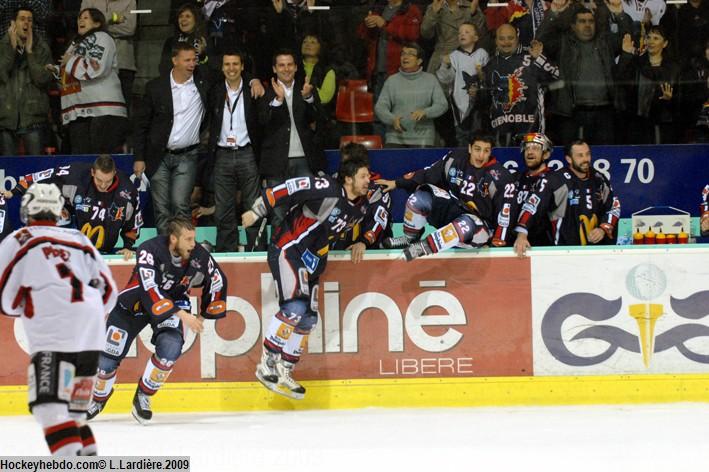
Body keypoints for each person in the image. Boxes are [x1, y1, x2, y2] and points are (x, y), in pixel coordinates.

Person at [0, 183, 118, 455]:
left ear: (26, 209)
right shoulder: (79, 237)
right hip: (90, 332)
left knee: (50, 411)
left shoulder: (20, 238)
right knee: (74, 415)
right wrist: (85, 316)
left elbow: (4, 296)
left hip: (54, 333)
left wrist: (26, 306)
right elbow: (109, 291)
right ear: (59, 211)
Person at [242, 155, 372, 399]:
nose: (368, 180)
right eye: (363, 176)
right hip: (289, 248)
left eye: (368, 175)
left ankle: (285, 369)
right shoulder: (327, 188)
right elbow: (289, 188)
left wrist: (363, 241)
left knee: (308, 319)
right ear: (347, 178)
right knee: (295, 306)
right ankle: (268, 362)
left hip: (314, 261)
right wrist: (257, 210)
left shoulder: (362, 206)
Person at [87, 217, 228, 424]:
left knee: (170, 348)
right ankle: (98, 400)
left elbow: (218, 279)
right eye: (188, 239)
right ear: (173, 239)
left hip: (175, 302)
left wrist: (203, 314)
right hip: (134, 303)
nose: (193, 244)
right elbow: (149, 288)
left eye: (194, 239)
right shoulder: (148, 249)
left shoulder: (198, 254)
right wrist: (184, 315)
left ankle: (143, 396)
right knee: (107, 359)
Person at [376, 134, 517, 260]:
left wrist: (497, 246)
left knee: (465, 224)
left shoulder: (501, 177)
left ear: (490, 152)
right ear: (469, 148)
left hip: (480, 229)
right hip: (454, 212)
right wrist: (396, 183)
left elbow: (505, 215)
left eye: (486, 151)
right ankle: (409, 238)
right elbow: (428, 174)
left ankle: (421, 248)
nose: (481, 155)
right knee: (420, 198)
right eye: (477, 149)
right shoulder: (455, 159)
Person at [133, 43, 208, 235]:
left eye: (194, 60)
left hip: (188, 155)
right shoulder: (155, 87)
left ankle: (184, 250)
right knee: (161, 208)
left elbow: (231, 73)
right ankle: (164, 253)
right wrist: (139, 157)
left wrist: (253, 81)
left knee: (181, 204)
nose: (192, 64)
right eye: (187, 60)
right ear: (174, 60)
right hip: (159, 156)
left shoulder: (203, 84)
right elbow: (141, 124)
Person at [4, 154, 142, 257]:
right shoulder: (75, 174)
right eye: (99, 180)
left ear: (115, 173)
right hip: (75, 229)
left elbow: (133, 223)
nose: (103, 185)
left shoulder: (128, 192)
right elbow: (42, 176)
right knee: (52, 209)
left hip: (106, 242)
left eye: (108, 181)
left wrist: (128, 247)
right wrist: (14, 191)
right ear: (92, 172)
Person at [257, 48, 327, 230]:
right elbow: (261, 122)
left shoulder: (305, 89)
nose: (286, 69)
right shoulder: (266, 92)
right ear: (274, 68)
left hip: (304, 160)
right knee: (279, 213)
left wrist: (309, 98)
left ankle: (303, 252)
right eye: (281, 65)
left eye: (290, 65)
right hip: (276, 163)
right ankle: (279, 254)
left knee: (308, 211)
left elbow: (319, 119)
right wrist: (278, 102)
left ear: (296, 67)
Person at [537, 2, 625, 145]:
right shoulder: (562, 43)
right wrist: (553, 13)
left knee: (605, 155)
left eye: (591, 21)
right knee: (572, 156)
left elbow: (628, 40)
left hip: (604, 111)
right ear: (573, 26)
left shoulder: (605, 42)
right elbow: (539, 41)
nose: (587, 25)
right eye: (582, 21)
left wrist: (620, 14)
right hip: (572, 113)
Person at [513, 140, 621, 255]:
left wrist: (603, 228)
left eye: (587, 154)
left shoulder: (598, 178)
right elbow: (532, 206)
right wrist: (522, 234)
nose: (585, 159)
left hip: (596, 253)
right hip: (563, 252)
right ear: (569, 159)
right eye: (580, 155)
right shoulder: (554, 180)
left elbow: (614, 206)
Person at [207, 48, 264, 252]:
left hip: (247, 152)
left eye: (235, 64)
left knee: (253, 206)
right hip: (222, 153)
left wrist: (253, 79)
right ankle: (226, 254)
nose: (231, 68)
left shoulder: (253, 90)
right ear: (222, 67)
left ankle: (257, 252)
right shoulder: (214, 91)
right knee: (223, 210)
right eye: (227, 64)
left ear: (242, 67)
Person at [59, 8, 128, 154]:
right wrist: (56, 70)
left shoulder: (102, 37)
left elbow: (96, 67)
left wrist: (70, 61)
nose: (80, 20)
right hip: (79, 111)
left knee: (99, 160)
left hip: (103, 110)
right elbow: (70, 71)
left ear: (97, 23)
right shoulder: (76, 43)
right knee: (82, 162)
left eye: (86, 18)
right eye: (79, 18)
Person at [477, 25, 559, 147]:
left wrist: (539, 58)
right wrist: (480, 83)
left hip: (531, 130)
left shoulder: (532, 56)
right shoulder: (490, 65)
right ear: (496, 41)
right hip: (501, 134)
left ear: (517, 38)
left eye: (510, 38)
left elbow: (556, 75)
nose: (506, 42)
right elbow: (485, 102)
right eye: (502, 38)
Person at [0, 6, 53, 156]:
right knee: (8, 168)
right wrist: (11, 49)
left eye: (30, 20)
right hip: (6, 118)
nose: (26, 23)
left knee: (37, 169)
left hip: (33, 118)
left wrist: (29, 52)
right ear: (13, 24)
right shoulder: (2, 47)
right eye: (22, 19)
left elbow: (43, 79)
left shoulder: (42, 48)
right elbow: (1, 73)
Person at [374, 42, 448, 147]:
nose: (405, 57)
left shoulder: (430, 79)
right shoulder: (392, 81)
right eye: (403, 53)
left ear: (419, 61)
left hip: (423, 138)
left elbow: (442, 104)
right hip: (395, 138)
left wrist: (426, 112)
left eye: (410, 54)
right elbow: (380, 107)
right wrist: (392, 119)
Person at [617, 27, 680, 144]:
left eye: (656, 38)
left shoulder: (674, 68)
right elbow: (621, 81)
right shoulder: (637, 63)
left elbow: (682, 100)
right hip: (637, 126)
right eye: (648, 37)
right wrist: (626, 54)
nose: (651, 41)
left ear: (665, 43)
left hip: (663, 126)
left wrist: (670, 99)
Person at [330, 142, 393, 254]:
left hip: (371, 251)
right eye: (343, 163)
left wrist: (364, 242)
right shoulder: (333, 183)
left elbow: (378, 221)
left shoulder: (378, 188)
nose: (343, 168)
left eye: (347, 164)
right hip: (337, 252)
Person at [80, 0, 138, 115]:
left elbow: (129, 28)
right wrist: (114, 18)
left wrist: (98, 26)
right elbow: (83, 26)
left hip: (123, 64)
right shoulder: (89, 1)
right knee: (95, 110)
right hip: (93, 65)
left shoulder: (129, 1)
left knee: (121, 111)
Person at [436, 22, 489, 147]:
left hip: (479, 103)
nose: (462, 34)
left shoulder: (482, 53)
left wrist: (482, 74)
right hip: (459, 102)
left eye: (466, 32)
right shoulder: (454, 56)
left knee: (478, 135)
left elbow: (488, 77)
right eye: (460, 33)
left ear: (476, 37)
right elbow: (445, 79)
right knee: (462, 136)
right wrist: (445, 65)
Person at [358, 0, 422, 98]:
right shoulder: (378, 8)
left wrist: (385, 24)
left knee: (400, 107)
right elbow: (363, 36)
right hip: (378, 70)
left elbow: (412, 34)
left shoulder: (411, 9)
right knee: (379, 108)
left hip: (401, 72)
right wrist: (367, 25)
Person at [511, 132, 555, 251]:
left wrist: (522, 231)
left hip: (542, 246)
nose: (530, 152)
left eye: (535, 148)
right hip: (514, 244)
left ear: (545, 154)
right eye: (527, 148)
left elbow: (534, 204)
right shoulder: (516, 178)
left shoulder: (553, 179)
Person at [158, 3, 210, 77]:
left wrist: (202, 55)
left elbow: (210, 70)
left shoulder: (203, 41)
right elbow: (163, 67)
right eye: (181, 16)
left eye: (188, 16)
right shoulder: (170, 42)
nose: (183, 19)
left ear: (195, 19)